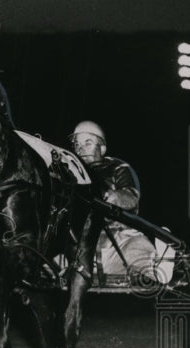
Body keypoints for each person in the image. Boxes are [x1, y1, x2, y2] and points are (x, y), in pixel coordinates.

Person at [69, 120, 173, 284]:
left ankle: (161, 263)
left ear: (102, 148)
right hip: (85, 246)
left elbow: (131, 196)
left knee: (137, 257)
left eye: (87, 143)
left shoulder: (116, 166)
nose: (80, 149)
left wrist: (108, 197)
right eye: (76, 144)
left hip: (119, 240)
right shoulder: (71, 172)